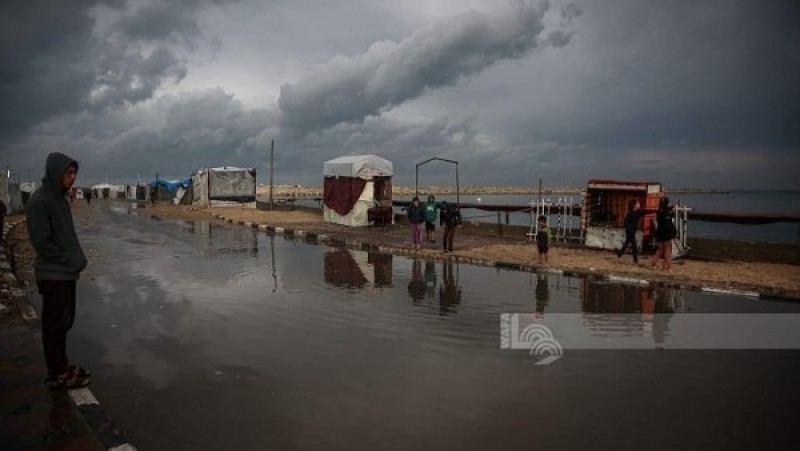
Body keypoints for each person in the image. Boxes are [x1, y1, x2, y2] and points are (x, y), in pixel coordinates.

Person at [25, 152, 90, 390]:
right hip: (54, 274)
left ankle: (62, 365)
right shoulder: (40, 201)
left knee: (64, 323)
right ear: (55, 172)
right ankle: (57, 373)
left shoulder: (60, 199)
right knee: (54, 326)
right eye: (68, 173)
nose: (72, 178)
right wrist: (70, 261)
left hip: (65, 274)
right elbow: (42, 243)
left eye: (74, 173)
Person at [650, 196, 676, 271]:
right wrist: (673, 231)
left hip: (660, 232)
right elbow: (668, 223)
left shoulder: (659, 211)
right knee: (668, 250)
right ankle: (667, 267)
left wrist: (670, 209)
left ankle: (653, 264)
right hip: (666, 233)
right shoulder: (667, 213)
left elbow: (664, 212)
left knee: (660, 250)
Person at [617, 199, 646, 263]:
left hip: (633, 230)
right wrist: (629, 229)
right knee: (634, 244)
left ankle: (619, 254)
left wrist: (657, 211)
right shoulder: (629, 213)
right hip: (630, 231)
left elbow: (646, 211)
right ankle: (635, 260)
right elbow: (625, 223)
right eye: (638, 203)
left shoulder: (638, 212)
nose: (639, 204)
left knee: (627, 243)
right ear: (634, 205)